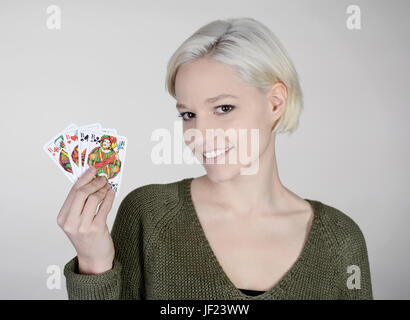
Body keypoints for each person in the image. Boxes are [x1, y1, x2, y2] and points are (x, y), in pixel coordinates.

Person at [59, 17, 373, 300]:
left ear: (276, 104)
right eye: (188, 114)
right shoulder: (147, 214)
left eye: (223, 108)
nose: (201, 133)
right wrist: (93, 263)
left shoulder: (340, 238)